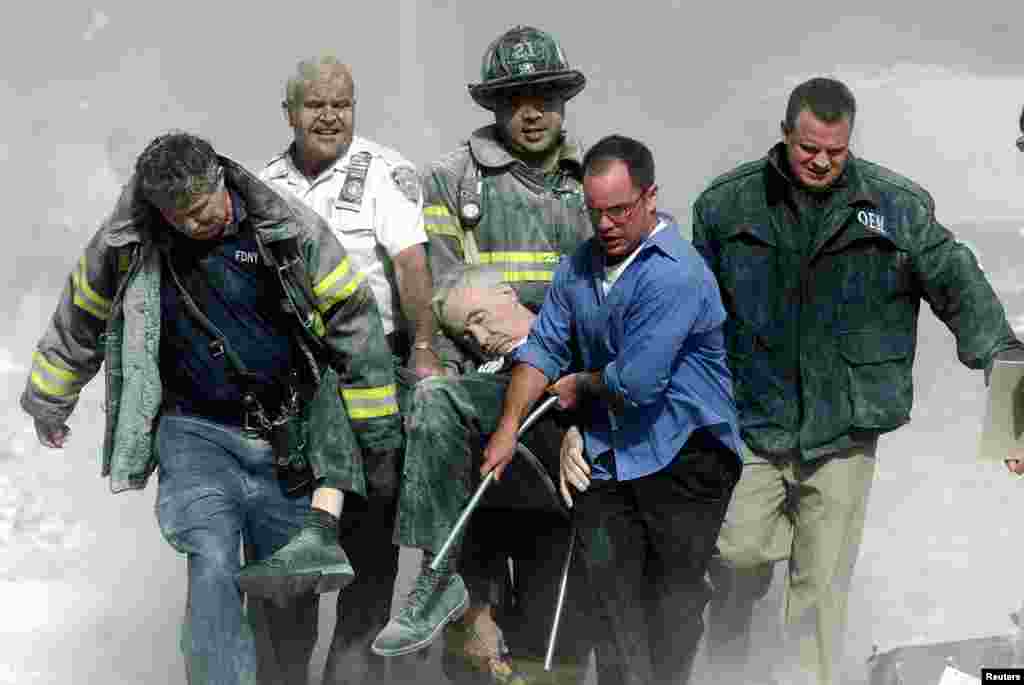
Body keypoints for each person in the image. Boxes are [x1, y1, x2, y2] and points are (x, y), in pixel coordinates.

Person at [20, 131, 403, 685]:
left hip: (286, 439)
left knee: (287, 602)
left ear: (222, 179)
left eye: (205, 208)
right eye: (183, 218)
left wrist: (376, 433)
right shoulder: (128, 240)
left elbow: (353, 317)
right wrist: (50, 398)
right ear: (158, 211)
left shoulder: (285, 226)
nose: (200, 223)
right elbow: (82, 312)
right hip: (194, 433)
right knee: (213, 560)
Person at [693, 77, 1023, 685]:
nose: (821, 162)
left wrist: (1008, 385)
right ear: (786, 134)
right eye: (808, 148)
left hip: (844, 426)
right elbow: (691, 318)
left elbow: (961, 288)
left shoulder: (895, 206)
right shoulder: (726, 207)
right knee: (735, 556)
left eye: (835, 152)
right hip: (752, 422)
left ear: (850, 141)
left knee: (819, 592)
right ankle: (729, 660)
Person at [373, 24, 594, 684]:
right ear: (493, 106)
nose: (533, 111)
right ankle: (449, 594)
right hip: (484, 402)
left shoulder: (594, 181)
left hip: (572, 402)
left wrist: (582, 395)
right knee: (475, 622)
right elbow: (442, 292)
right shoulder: (447, 180)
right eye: (516, 97)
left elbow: (620, 300)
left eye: (547, 95)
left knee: (559, 608)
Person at [482, 134, 743, 685]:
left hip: (687, 457)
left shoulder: (677, 272)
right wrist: (506, 430)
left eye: (619, 210)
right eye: (595, 211)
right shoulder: (578, 267)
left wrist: (577, 385)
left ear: (650, 198)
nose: (605, 225)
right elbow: (543, 347)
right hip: (611, 456)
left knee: (670, 606)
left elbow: (640, 384)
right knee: (611, 607)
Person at [248, 54, 438, 685]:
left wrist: (424, 352)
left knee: (366, 559)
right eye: (315, 105)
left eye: (342, 104)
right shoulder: (260, 183)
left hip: (370, 382)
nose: (329, 117)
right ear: (289, 113)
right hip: (287, 390)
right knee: (285, 561)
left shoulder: (387, 173)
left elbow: (412, 267)